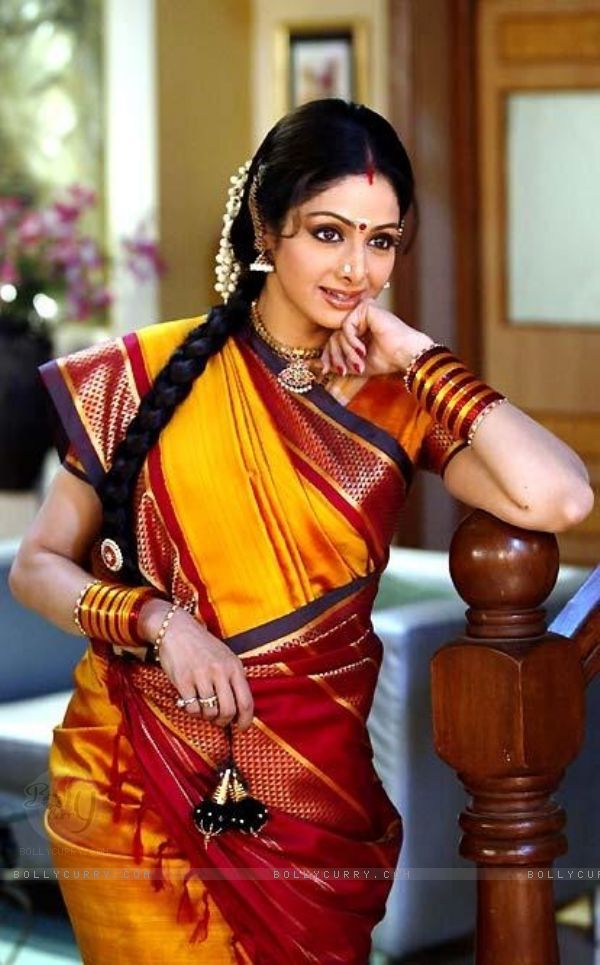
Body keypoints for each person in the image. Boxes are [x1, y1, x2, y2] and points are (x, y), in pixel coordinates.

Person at [9, 99, 593, 964]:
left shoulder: (398, 402)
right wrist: (160, 625)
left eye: (382, 241)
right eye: (329, 233)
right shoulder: (142, 373)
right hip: (136, 786)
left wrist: (421, 356)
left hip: (317, 805)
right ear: (265, 229)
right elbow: (36, 566)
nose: (357, 268)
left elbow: (560, 497)